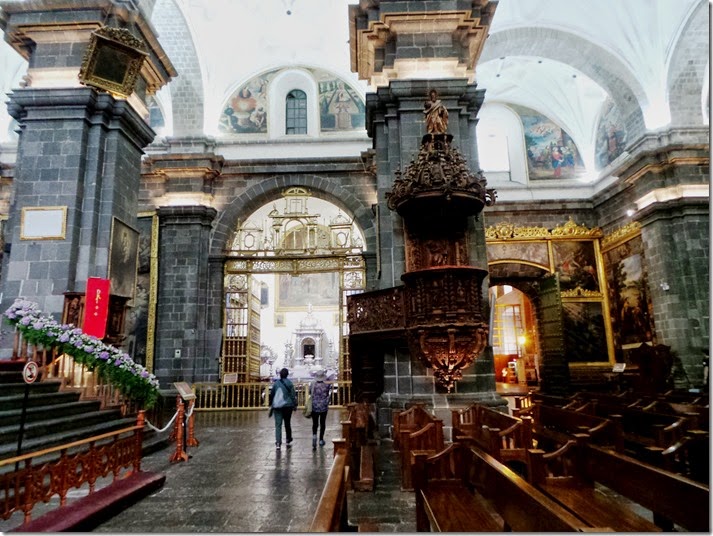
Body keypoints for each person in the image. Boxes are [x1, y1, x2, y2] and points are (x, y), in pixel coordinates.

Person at [269, 367, 297, 450]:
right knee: (287, 423)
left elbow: (272, 393)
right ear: (287, 374)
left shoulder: (276, 383)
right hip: (288, 406)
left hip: (277, 406)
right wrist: (294, 405)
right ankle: (288, 438)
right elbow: (292, 395)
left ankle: (278, 442)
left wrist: (272, 403)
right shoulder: (290, 383)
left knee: (278, 424)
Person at [309, 369, 331, 449]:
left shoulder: (313, 384)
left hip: (314, 406)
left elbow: (309, 392)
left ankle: (314, 436)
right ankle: (321, 439)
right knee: (322, 423)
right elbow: (328, 393)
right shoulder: (326, 385)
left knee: (315, 423)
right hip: (323, 406)